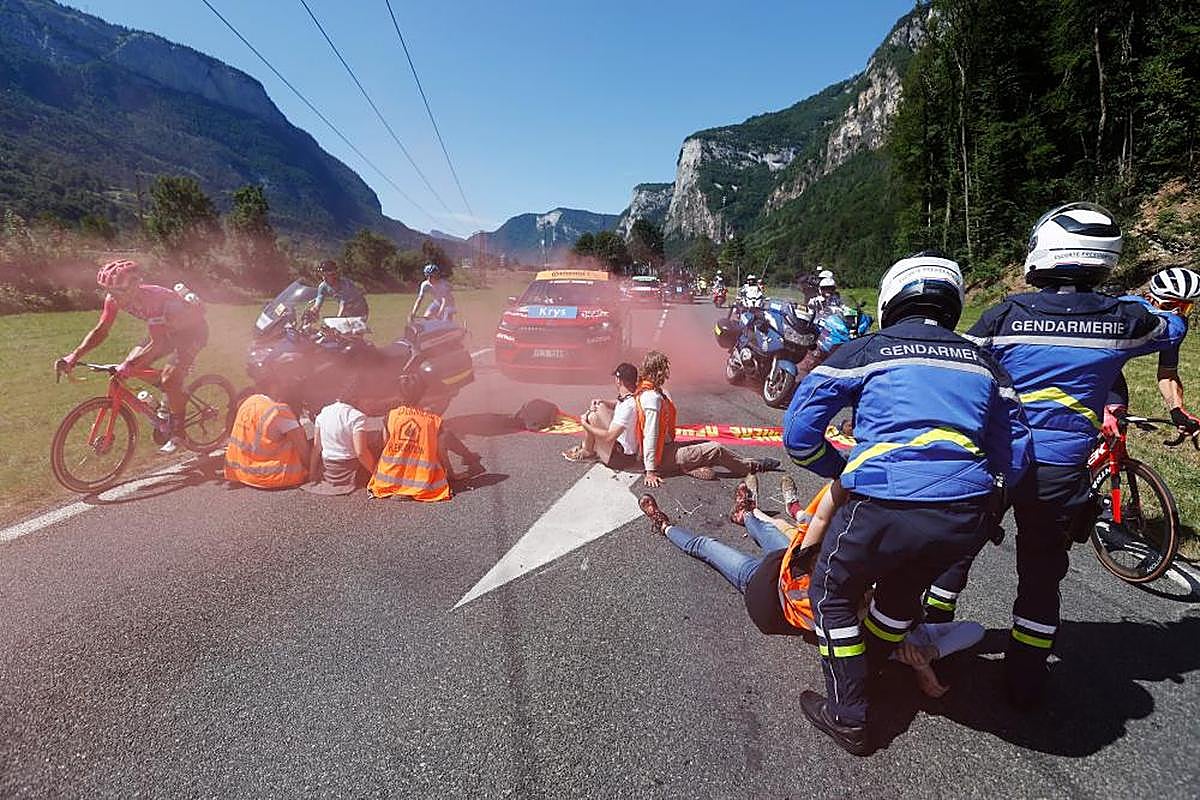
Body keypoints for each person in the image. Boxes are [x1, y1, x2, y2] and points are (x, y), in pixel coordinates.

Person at [924, 204, 1187, 708]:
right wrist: (1135, 300)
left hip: (998, 461)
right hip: (1063, 471)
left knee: (958, 550)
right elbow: (1172, 325)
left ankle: (932, 639)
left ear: (1044, 250)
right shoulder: (1125, 320)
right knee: (1042, 574)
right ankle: (1025, 680)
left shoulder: (1006, 313)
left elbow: (960, 363)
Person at [782, 252, 1033, 755]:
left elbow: (798, 434)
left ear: (891, 299)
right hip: (966, 512)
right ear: (954, 304)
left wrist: (842, 471)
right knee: (900, 595)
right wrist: (988, 494)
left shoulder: (864, 350)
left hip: (882, 502)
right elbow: (1019, 450)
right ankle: (872, 668)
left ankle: (848, 713)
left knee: (831, 593)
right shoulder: (986, 362)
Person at [638, 477, 985, 700]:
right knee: (772, 536)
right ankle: (745, 516)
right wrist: (927, 657)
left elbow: (823, 517)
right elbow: (974, 630)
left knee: (708, 547)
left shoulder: (865, 632)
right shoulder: (902, 625)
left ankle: (665, 526)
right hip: (786, 567)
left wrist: (924, 661)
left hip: (766, 592)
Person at [57, 259, 209, 453]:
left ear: (135, 285)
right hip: (164, 332)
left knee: (164, 377)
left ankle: (178, 432)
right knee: (129, 367)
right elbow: (102, 330)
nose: (112, 296)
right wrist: (74, 355)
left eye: (117, 291)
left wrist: (130, 365)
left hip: (191, 332)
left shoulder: (153, 300)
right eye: (108, 290)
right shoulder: (114, 299)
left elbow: (158, 344)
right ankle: (168, 394)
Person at [636, 350, 779, 487]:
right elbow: (651, 435)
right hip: (662, 458)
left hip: (666, 449)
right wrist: (650, 471)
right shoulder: (652, 399)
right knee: (715, 449)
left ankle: (691, 464)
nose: (667, 374)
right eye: (665, 369)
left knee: (703, 444)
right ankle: (752, 466)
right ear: (659, 371)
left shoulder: (646, 391)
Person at [1102, 267, 1200, 440]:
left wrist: (1177, 409)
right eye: (1170, 306)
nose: (1177, 314)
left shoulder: (1176, 328)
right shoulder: (1124, 315)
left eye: (1185, 308)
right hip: (1078, 363)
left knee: (1117, 431)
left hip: (1109, 368)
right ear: (1150, 300)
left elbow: (1168, 374)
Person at [368, 401, 483, 501]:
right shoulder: (431, 419)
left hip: (387, 480)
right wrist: (451, 474)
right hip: (422, 482)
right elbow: (441, 451)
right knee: (445, 434)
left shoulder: (391, 415)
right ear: (423, 397)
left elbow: (385, 445)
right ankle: (468, 455)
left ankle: (468, 455)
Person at [224, 382, 310, 490]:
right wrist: (314, 471)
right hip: (273, 477)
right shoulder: (280, 411)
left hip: (241, 473)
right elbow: (303, 448)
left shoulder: (251, 401)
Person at [304, 382, 378, 495]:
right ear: (358, 399)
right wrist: (376, 473)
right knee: (376, 444)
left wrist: (312, 474)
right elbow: (361, 453)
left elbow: (316, 447)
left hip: (328, 469)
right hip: (351, 471)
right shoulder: (357, 417)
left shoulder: (324, 411)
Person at [562, 362, 640, 469]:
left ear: (619, 380)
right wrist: (603, 401)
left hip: (619, 459)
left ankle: (588, 451)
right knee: (598, 407)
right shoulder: (632, 397)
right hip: (622, 451)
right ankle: (588, 450)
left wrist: (585, 425)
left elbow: (609, 437)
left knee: (591, 417)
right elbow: (619, 404)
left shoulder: (628, 406)